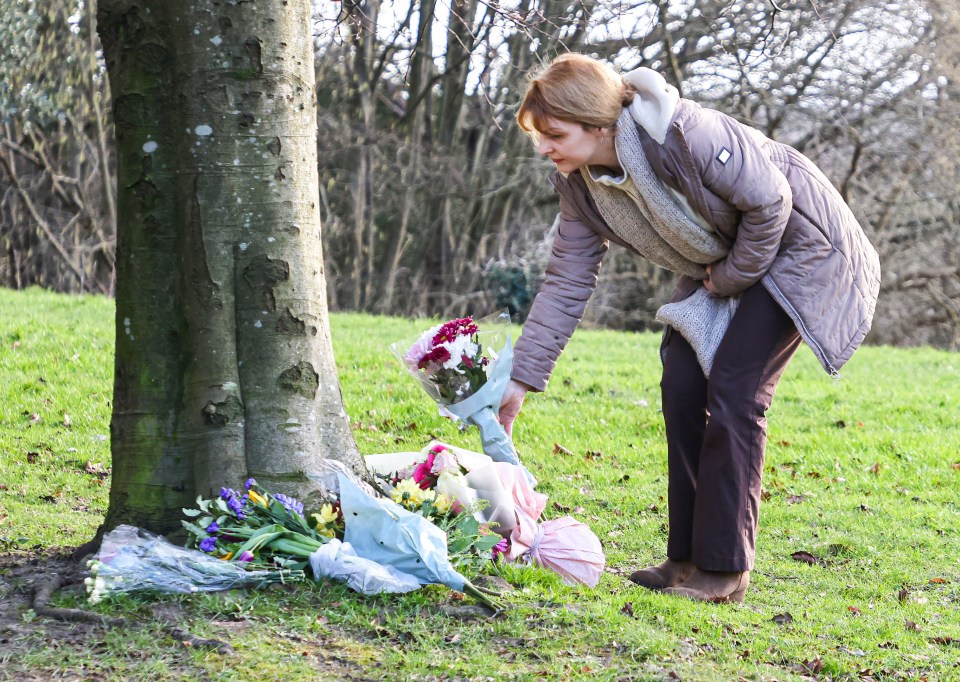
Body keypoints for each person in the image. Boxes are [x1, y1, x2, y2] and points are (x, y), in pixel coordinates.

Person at [496, 53, 880, 603]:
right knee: (680, 383)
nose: (543, 148)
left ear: (598, 124)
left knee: (736, 389)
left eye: (553, 134)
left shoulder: (683, 132)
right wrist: (521, 380)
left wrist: (725, 278)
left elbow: (772, 201)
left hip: (804, 249)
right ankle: (685, 559)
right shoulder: (580, 188)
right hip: (728, 261)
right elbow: (565, 282)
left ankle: (725, 571)